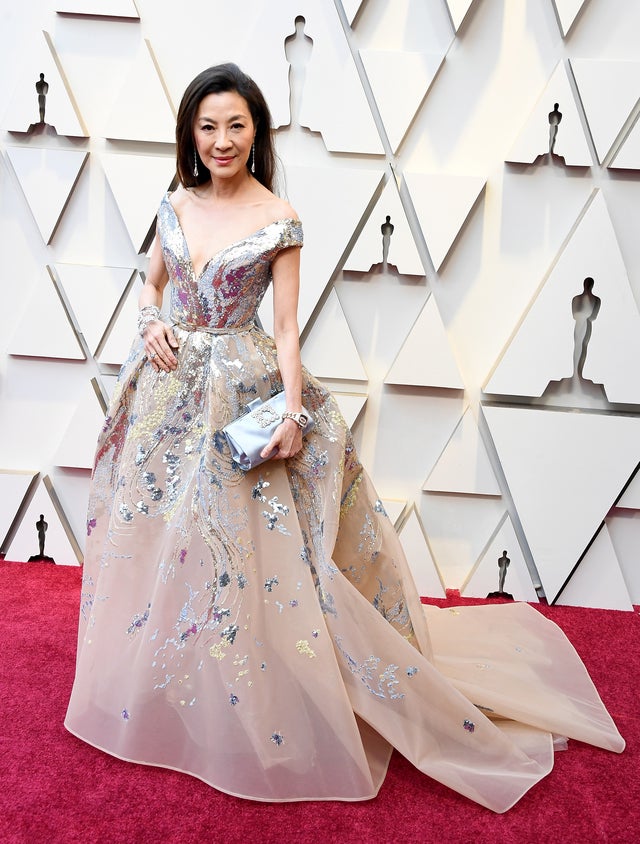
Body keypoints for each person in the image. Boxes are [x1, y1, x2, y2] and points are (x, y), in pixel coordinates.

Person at [65, 63, 624, 813]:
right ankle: (175, 678)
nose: (221, 139)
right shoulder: (173, 200)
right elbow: (152, 283)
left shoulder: (279, 216)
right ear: (190, 135)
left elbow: (289, 328)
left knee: (250, 546)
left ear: (256, 130)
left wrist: (293, 415)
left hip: (242, 390)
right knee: (168, 534)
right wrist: (150, 321)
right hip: (167, 393)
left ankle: (257, 686)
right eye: (207, 126)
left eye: (235, 125)